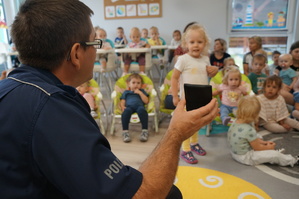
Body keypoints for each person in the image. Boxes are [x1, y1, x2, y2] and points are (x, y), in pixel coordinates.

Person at [0, 1, 220, 198]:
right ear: (77, 54)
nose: (97, 52)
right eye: (95, 44)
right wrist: (175, 134)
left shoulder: (10, 88)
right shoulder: (53, 111)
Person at [171, 23, 218, 164]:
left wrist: (214, 70)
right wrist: (174, 96)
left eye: (199, 42)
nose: (196, 45)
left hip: (200, 99)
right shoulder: (183, 59)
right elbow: (174, 77)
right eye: (192, 42)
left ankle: (194, 143)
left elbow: (208, 74)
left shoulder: (205, 59)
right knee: (187, 124)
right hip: (186, 100)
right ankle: (185, 150)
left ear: (205, 43)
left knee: (197, 124)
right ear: (186, 43)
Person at [228, 95, 298, 167]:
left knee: (258, 136)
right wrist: (269, 148)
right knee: (274, 155)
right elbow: (257, 148)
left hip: (234, 152)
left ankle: (263, 146)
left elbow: (248, 138)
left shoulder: (235, 121)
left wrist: (264, 143)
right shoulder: (249, 130)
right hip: (246, 157)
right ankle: (293, 160)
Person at [121, 73, 149, 142]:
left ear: (141, 84)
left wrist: (140, 93)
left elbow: (146, 101)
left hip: (139, 106)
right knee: (125, 113)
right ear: (129, 84)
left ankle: (144, 131)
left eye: (138, 83)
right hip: (129, 107)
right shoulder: (126, 92)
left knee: (142, 111)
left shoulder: (142, 91)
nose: (136, 84)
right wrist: (122, 106)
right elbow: (122, 101)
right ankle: (125, 132)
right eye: (133, 83)